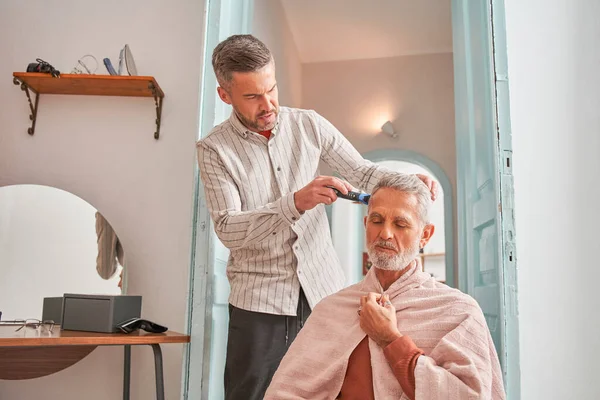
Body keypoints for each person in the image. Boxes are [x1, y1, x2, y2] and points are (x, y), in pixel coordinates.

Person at [196, 34, 438, 400]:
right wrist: (294, 202)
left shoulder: (308, 125)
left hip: (324, 294)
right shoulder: (214, 150)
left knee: (328, 391)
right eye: (252, 97)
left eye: (271, 89)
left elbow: (363, 172)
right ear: (225, 95)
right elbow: (229, 228)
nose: (268, 104)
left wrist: (407, 181)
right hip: (259, 303)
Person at [265, 174, 505, 400]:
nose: (386, 234)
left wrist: (390, 339)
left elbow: (468, 394)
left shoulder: (457, 310)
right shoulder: (331, 309)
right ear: (366, 224)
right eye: (377, 221)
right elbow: (285, 391)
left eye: (400, 224)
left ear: (425, 235)